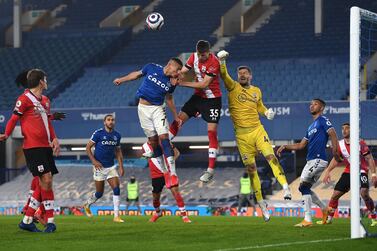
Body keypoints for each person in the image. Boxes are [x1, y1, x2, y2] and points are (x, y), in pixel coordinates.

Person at [215, 50, 292, 220]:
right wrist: (222, 61)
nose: (241, 75)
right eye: (239, 73)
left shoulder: (257, 91)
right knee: (251, 170)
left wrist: (267, 112)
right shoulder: (232, 86)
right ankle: (262, 204)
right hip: (242, 137)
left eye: (245, 73)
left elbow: (260, 107)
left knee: (270, 156)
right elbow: (223, 75)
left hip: (257, 130)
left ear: (250, 76)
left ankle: (286, 187)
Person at [0, 69, 60, 233]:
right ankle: (50, 222)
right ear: (41, 81)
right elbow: (14, 118)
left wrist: (54, 138)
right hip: (33, 147)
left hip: (46, 146)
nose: (47, 81)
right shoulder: (24, 99)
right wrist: (6, 134)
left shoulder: (46, 100)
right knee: (45, 180)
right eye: (45, 79)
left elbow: (48, 121)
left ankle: (27, 220)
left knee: (44, 184)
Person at [114, 58, 182, 188]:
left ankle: (173, 173)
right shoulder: (151, 67)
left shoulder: (172, 83)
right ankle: (165, 172)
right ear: (170, 65)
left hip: (157, 109)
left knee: (164, 138)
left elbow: (169, 98)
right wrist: (121, 80)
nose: (178, 72)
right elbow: (137, 74)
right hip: (142, 109)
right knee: (154, 142)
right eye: (177, 69)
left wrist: (175, 115)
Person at [277, 98, 342, 227]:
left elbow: (333, 134)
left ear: (322, 107)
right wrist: (286, 146)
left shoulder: (323, 120)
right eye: (311, 104)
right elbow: (301, 145)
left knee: (303, 186)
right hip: (310, 161)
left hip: (318, 159)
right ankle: (324, 209)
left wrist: (335, 152)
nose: (312, 106)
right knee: (304, 187)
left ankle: (308, 219)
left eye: (315, 104)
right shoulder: (310, 126)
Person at [169, 40, 222, 183]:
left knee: (211, 132)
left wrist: (181, 83)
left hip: (212, 100)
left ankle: (210, 170)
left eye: (203, 55)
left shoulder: (214, 63)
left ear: (209, 52)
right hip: (198, 97)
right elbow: (184, 71)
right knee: (179, 119)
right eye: (199, 54)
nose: (201, 57)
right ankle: (164, 143)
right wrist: (174, 75)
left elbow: (204, 84)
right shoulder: (193, 57)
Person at [317, 123, 377, 226]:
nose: (344, 130)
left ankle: (374, 216)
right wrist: (328, 171)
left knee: (364, 193)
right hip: (349, 171)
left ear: (352, 130)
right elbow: (336, 160)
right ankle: (329, 219)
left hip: (361, 170)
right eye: (342, 128)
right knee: (335, 195)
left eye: (347, 128)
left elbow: (369, 158)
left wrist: (374, 174)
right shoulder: (340, 145)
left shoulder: (360, 143)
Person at [83, 114, 125, 223]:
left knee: (116, 189)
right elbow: (88, 148)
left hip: (111, 167)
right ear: (104, 122)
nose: (111, 122)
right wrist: (94, 161)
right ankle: (87, 204)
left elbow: (118, 151)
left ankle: (116, 216)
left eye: (113, 120)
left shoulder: (117, 135)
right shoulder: (98, 133)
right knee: (99, 193)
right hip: (99, 168)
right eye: (109, 120)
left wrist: (121, 166)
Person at [142, 141, 191, 223]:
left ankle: (184, 216)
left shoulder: (164, 142)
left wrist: (170, 162)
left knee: (176, 193)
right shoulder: (144, 146)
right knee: (155, 198)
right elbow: (148, 159)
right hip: (156, 176)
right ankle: (158, 213)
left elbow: (177, 153)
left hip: (168, 173)